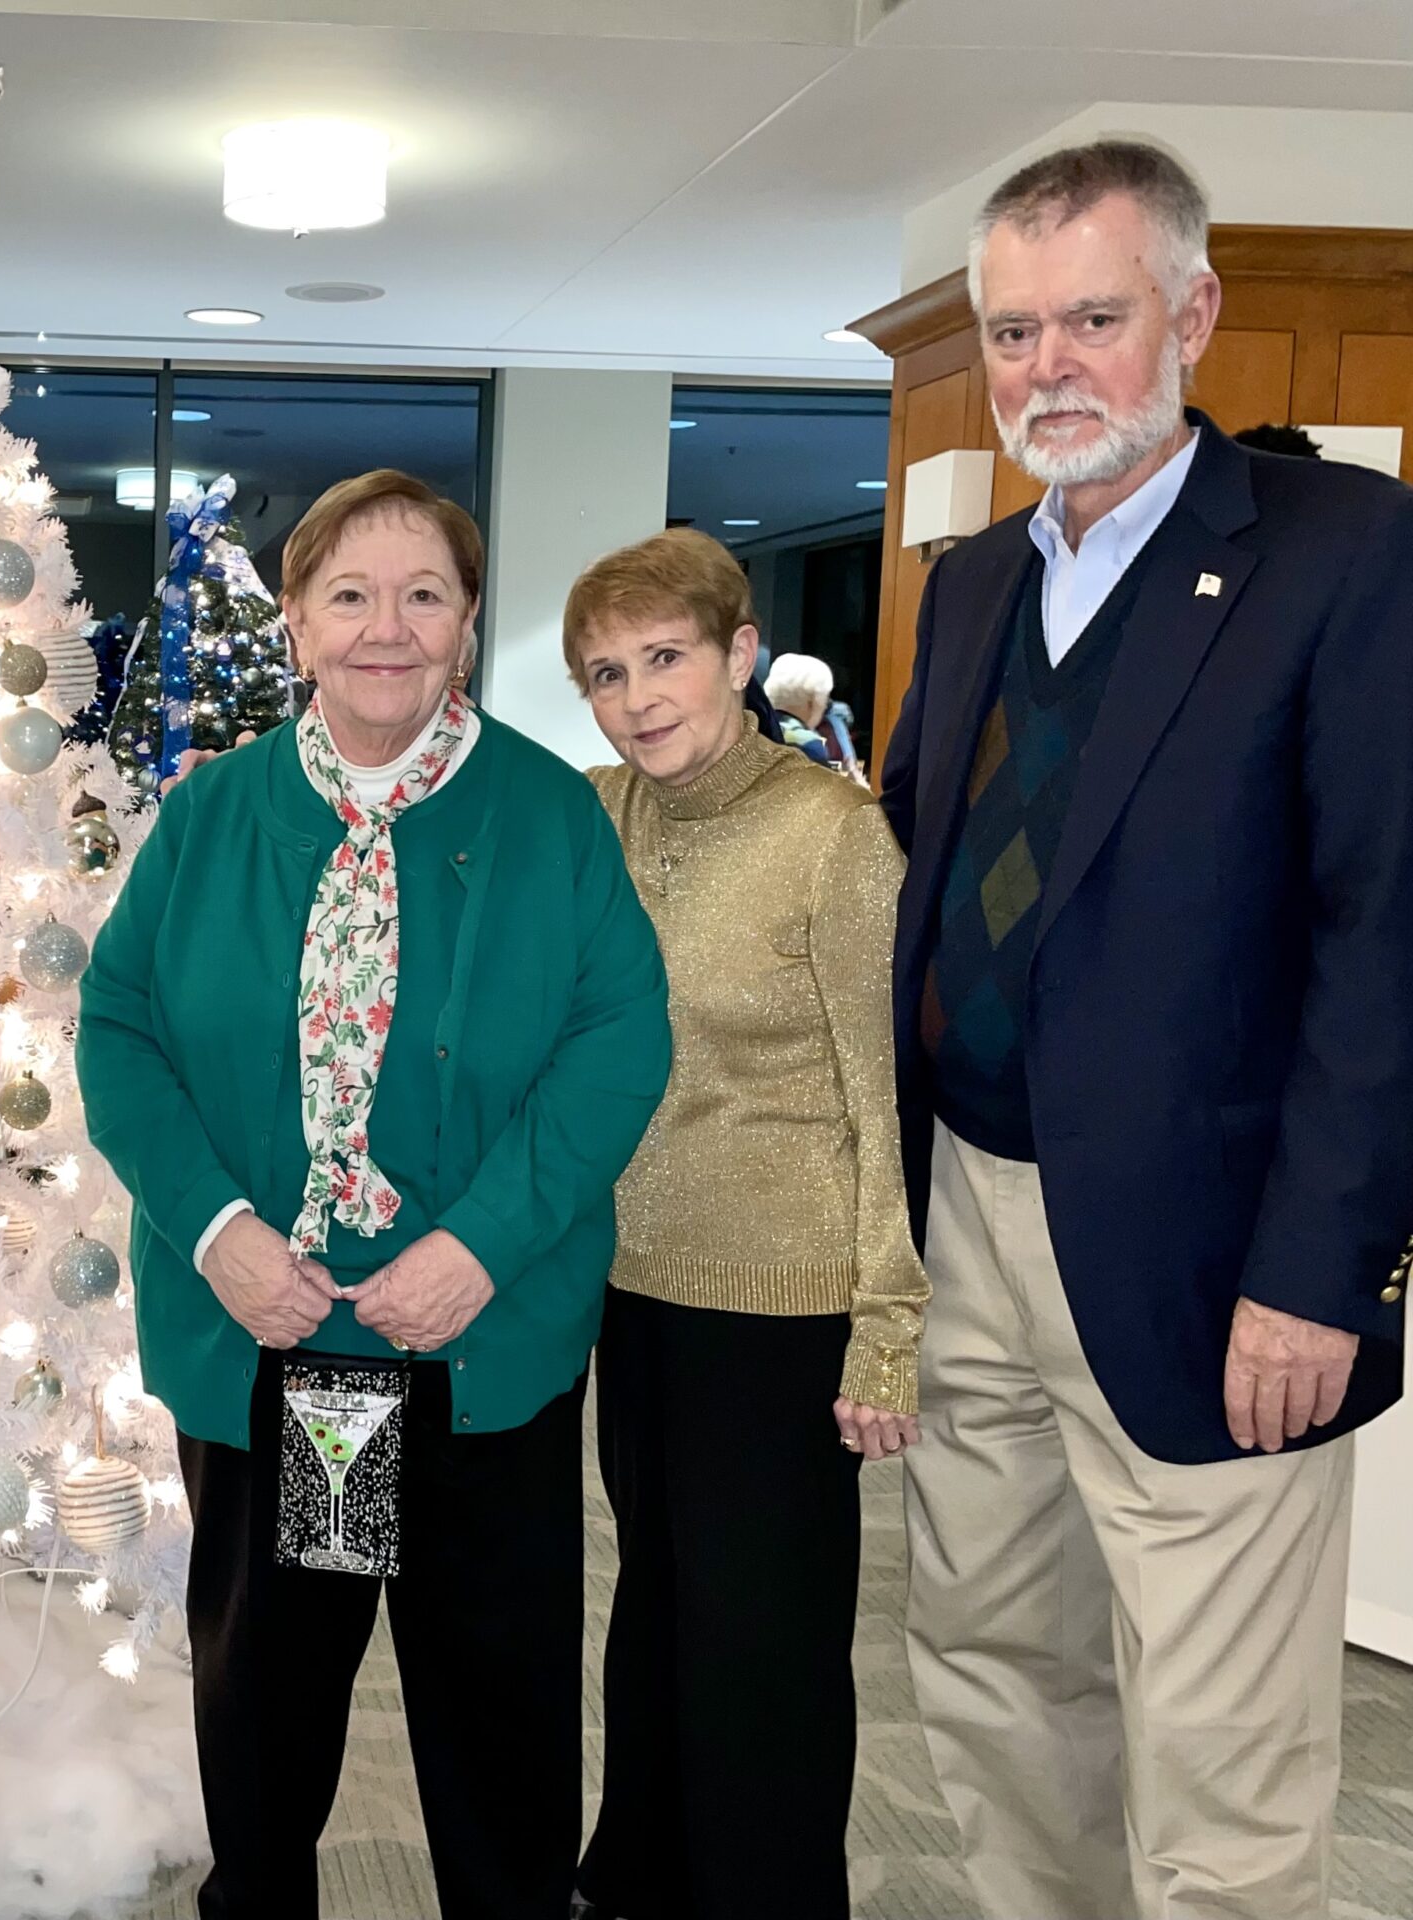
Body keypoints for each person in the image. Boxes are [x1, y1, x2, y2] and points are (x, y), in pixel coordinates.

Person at [883, 139, 1412, 1920]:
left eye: (1092, 319)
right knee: (988, 1670)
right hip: (970, 1218)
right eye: (1016, 329)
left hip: (1213, 1259)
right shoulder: (967, 589)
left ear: (1190, 315)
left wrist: (1325, 1272)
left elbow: (1387, 938)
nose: (1050, 369)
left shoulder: (1344, 558)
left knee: (1221, 1750)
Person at [78, 470, 672, 1920]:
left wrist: (480, 1247)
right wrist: (217, 1234)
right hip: (297, 1344)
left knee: (494, 1700)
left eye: (423, 596)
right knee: (276, 1691)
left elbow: (619, 1040)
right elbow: (121, 1030)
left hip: (474, 1344)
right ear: (296, 623)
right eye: (349, 595)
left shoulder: (546, 814)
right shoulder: (215, 815)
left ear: (467, 624)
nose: (385, 630)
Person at [563, 530, 926, 1920]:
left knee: (760, 1654)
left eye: (667, 659)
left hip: (782, 1309)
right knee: (650, 1618)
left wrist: (887, 1330)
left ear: (738, 653)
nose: (641, 696)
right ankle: (641, 1881)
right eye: (607, 672)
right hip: (632, 1297)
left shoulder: (834, 838)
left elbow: (888, 1101)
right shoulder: (603, 814)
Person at [765, 650, 864, 780]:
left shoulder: (755, 728)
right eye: (825, 700)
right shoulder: (808, 743)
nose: (826, 706)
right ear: (812, 702)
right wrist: (856, 785)